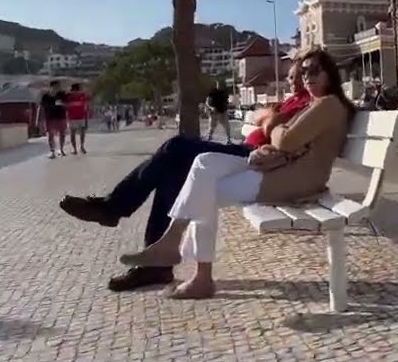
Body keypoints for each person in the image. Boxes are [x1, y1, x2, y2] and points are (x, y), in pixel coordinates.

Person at [117, 48, 355, 298]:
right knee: (203, 163)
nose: (306, 76)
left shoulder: (329, 104)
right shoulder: (317, 104)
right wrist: (277, 133)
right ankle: (178, 250)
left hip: (295, 181)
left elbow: (286, 139)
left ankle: (193, 269)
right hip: (280, 169)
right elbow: (286, 138)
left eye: (314, 70)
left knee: (203, 186)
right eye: (303, 71)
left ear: (330, 74)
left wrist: (275, 126)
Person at [58, 62, 311, 292]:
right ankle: (154, 266)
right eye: (291, 76)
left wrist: (271, 118)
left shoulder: (308, 102)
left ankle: (114, 207)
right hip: (246, 152)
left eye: (297, 75)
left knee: (175, 147)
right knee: (172, 171)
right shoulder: (293, 100)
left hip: (255, 159)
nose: (292, 81)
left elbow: (275, 127)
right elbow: (260, 117)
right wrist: (270, 118)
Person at [38, 80, 69, 159]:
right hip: (50, 117)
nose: (58, 88)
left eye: (59, 87)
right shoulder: (46, 96)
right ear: (52, 87)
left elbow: (67, 104)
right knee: (51, 135)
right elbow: (42, 107)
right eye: (57, 87)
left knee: (62, 134)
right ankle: (52, 151)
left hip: (61, 117)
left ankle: (61, 149)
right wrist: (40, 121)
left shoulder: (62, 94)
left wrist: (62, 104)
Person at [66, 83, 91, 154]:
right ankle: (74, 149)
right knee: (72, 134)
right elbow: (66, 106)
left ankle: (82, 146)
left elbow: (87, 102)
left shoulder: (83, 96)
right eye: (74, 91)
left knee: (82, 133)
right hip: (72, 118)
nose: (75, 92)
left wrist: (87, 118)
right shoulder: (69, 97)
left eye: (77, 90)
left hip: (81, 117)